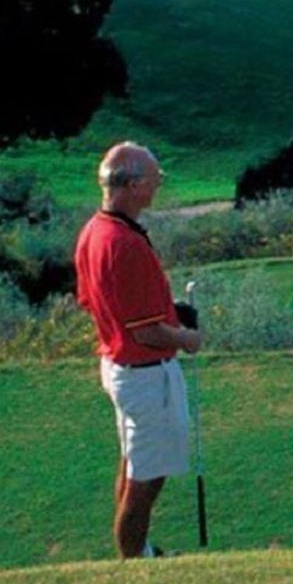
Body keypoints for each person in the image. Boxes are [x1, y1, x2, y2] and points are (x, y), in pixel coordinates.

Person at [73, 142, 202, 558]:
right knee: (146, 476)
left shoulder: (94, 231)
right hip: (145, 373)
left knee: (134, 464)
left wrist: (170, 312)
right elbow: (146, 332)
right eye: (153, 179)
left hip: (120, 365)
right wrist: (186, 338)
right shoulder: (122, 244)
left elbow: (98, 301)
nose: (158, 186)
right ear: (131, 185)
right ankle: (134, 561)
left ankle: (139, 550)